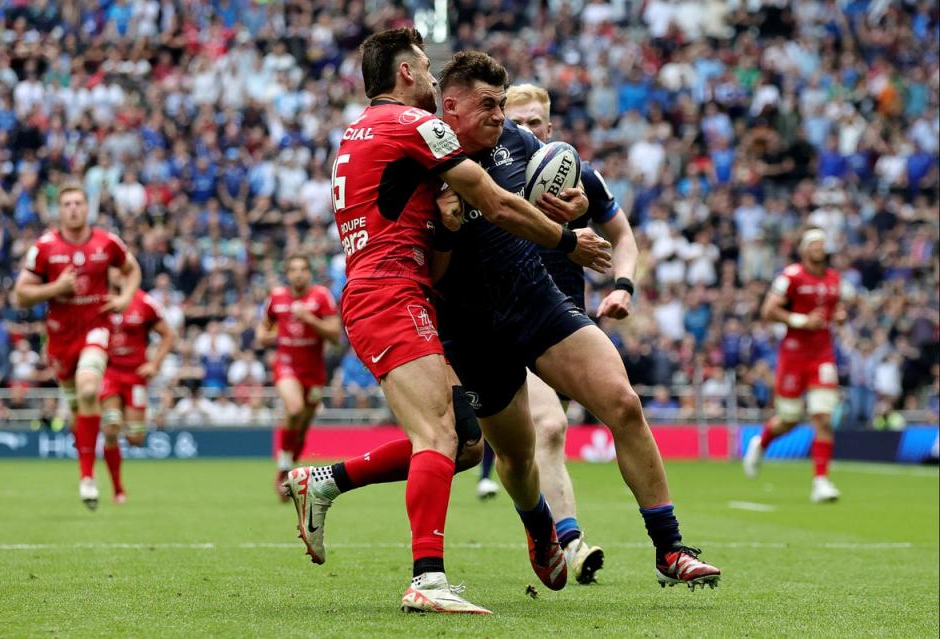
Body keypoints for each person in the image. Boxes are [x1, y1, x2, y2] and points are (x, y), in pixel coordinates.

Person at [280, 29, 609, 615]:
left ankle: (324, 481)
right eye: (428, 69)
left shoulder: (358, 132)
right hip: (390, 292)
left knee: (462, 444)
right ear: (405, 74)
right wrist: (567, 240)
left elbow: (424, 227)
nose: (435, 80)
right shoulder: (413, 125)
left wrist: (450, 226)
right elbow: (500, 203)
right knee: (439, 435)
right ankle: (426, 580)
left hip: (391, 289)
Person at [430, 52, 719, 592]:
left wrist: (574, 202)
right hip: (473, 329)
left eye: (503, 103)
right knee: (516, 458)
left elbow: (571, 191)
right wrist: (446, 228)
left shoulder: (518, 142)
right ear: (452, 107)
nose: (501, 117)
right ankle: (541, 528)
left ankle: (670, 548)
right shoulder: (426, 161)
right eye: (489, 106)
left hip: (536, 300)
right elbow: (436, 270)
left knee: (623, 403)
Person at [472, 83, 641, 585]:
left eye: (535, 123)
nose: (526, 131)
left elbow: (624, 237)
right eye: (516, 121)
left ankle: (554, 535)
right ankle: (567, 540)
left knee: (534, 442)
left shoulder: (581, 179)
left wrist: (624, 287)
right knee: (545, 430)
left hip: (562, 324)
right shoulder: (486, 176)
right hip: (500, 324)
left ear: (550, 129)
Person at [14, 182, 141, 510]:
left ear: (87, 208)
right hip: (59, 340)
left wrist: (125, 298)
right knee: (76, 407)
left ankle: (88, 477)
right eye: (67, 203)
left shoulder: (106, 242)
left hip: (96, 330)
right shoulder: (44, 247)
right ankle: (86, 468)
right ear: (60, 210)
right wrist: (55, 287)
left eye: (78, 203)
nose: (73, 209)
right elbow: (20, 294)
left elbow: (132, 270)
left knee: (88, 390)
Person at [743, 228, 852, 502]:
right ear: (804, 250)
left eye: (822, 243)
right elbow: (768, 310)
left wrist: (838, 316)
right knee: (790, 419)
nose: (819, 247)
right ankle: (762, 442)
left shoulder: (834, 279)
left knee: (823, 417)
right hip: (793, 355)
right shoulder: (790, 276)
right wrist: (801, 321)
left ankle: (821, 481)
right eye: (814, 243)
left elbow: (835, 311)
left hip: (823, 355)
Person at [256, 253, 340, 501]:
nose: (298, 273)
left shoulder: (321, 297)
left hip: (314, 371)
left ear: (309, 273)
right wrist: (266, 336)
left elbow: (335, 335)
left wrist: (309, 319)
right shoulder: (277, 298)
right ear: (288, 274)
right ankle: (283, 470)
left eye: (303, 269)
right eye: (293, 269)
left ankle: (288, 467)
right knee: (294, 409)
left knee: (302, 429)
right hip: (287, 365)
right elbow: (264, 328)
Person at [98, 276, 177, 503]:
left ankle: (121, 420)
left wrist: (155, 364)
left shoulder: (144, 302)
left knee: (135, 438)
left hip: (135, 377)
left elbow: (169, 334)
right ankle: (118, 490)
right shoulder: (98, 299)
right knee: (111, 427)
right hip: (110, 373)